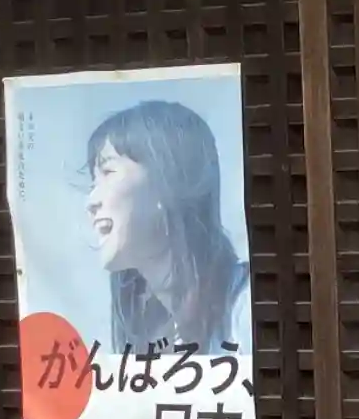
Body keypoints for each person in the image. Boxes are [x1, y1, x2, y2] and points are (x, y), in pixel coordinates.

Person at [84, 99, 249, 352]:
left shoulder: (246, 303)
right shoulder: (148, 328)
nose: (91, 202)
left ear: (166, 180)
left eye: (108, 172)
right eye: (92, 183)